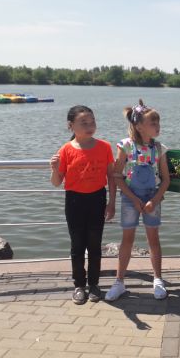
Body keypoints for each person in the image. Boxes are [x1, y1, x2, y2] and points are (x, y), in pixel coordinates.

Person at [104, 100, 170, 301]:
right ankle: (119, 282)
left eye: (158, 123)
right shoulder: (125, 146)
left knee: (153, 239)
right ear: (139, 126)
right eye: (153, 123)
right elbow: (117, 176)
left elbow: (166, 179)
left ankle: (157, 279)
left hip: (152, 197)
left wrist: (155, 200)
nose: (157, 127)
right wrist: (132, 199)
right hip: (129, 198)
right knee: (127, 239)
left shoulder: (159, 148)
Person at [50, 105, 116, 304]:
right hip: (74, 201)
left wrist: (112, 203)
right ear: (71, 126)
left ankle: (94, 284)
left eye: (92, 122)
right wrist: (54, 168)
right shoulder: (66, 149)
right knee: (77, 245)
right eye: (84, 123)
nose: (90, 126)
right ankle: (79, 285)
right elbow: (56, 182)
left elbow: (111, 177)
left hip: (97, 199)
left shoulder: (104, 147)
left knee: (95, 244)